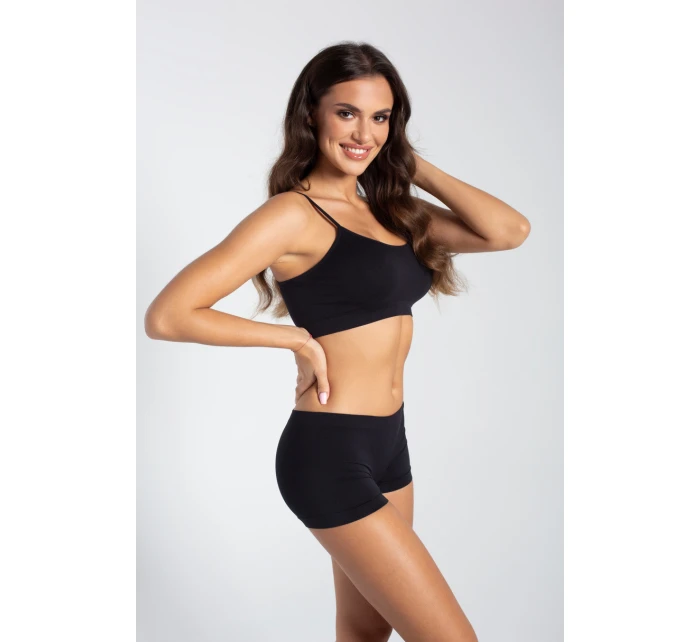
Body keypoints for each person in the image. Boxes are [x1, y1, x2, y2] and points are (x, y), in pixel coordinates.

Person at [144, 41, 529, 642]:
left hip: (389, 444)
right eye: (347, 113)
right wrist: (293, 340)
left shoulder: (394, 211)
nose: (363, 133)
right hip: (328, 453)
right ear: (312, 114)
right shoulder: (292, 215)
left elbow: (509, 230)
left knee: (364, 634)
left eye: (380, 117)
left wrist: (406, 162)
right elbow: (168, 315)